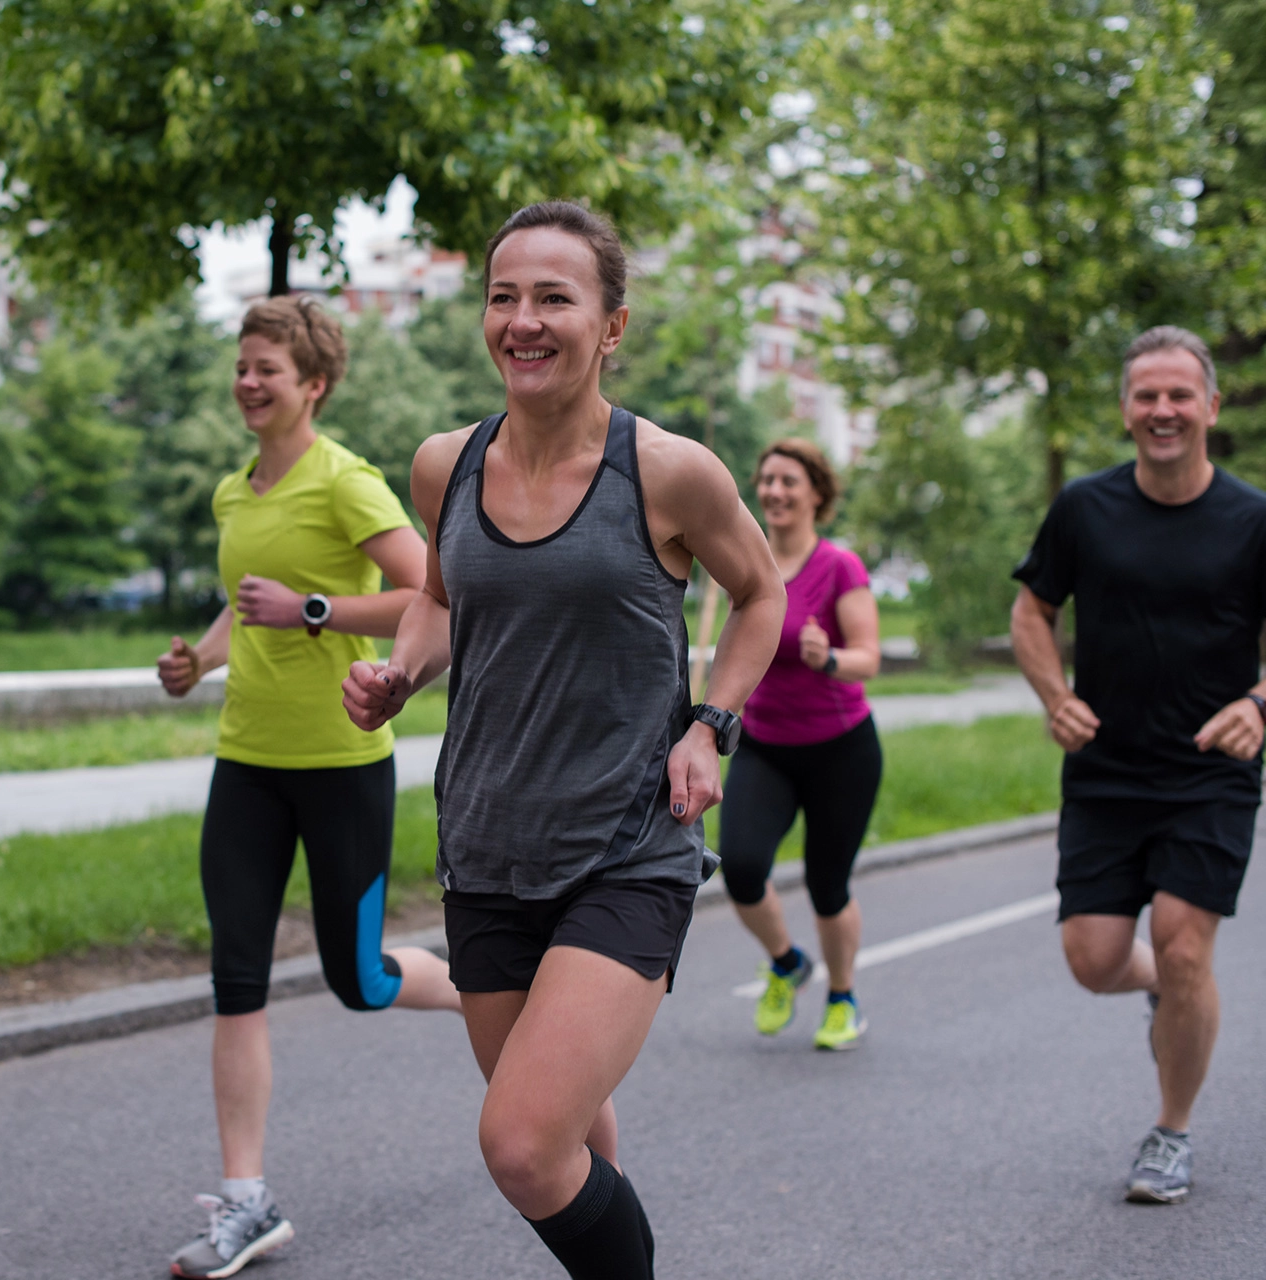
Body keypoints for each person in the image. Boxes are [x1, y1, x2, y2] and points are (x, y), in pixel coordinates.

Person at [343, 202, 785, 1280]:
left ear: (612, 323)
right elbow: (443, 602)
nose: (524, 320)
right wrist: (402, 670)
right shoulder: (445, 464)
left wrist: (710, 724)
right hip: (487, 849)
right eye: (505, 295)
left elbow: (761, 593)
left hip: (626, 846)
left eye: (555, 297)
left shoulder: (671, 471)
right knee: (575, 1138)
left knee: (522, 1143)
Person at [154, 295, 464, 1279]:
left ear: (313, 385)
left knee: (360, 977)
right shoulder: (232, 490)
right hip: (246, 763)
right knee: (234, 977)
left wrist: (314, 608)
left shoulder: (348, 482)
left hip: (341, 768)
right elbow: (245, 604)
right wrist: (200, 660)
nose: (249, 383)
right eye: (242, 366)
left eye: (268, 370)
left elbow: (431, 589)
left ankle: (493, 995)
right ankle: (247, 1201)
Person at [1011, 325, 1265, 1206]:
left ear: (1210, 408)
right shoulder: (1084, 508)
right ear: (1126, 410)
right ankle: (1169, 992)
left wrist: (1259, 703)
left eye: (1179, 395)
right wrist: (1054, 695)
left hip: (1210, 772)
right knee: (1093, 958)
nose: (1163, 410)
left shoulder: (1254, 518)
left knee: (1185, 944)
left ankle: (1171, 1131)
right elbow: (1032, 611)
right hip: (1106, 771)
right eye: (1146, 396)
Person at [718, 439, 882, 1050]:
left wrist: (830, 656)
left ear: (817, 493)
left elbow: (869, 657)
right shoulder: (746, 561)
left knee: (827, 884)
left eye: (789, 481)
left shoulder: (839, 566)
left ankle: (843, 998)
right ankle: (786, 963)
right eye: (767, 481)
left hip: (841, 749)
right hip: (764, 744)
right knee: (741, 869)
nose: (775, 492)